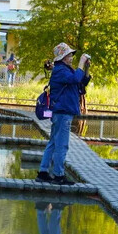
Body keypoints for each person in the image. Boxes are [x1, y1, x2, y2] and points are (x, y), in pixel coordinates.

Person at [36, 42, 91, 185]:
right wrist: (81, 62)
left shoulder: (66, 70)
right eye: (69, 55)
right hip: (63, 112)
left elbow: (81, 82)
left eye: (71, 54)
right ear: (62, 57)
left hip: (62, 112)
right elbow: (74, 79)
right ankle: (58, 175)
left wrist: (86, 68)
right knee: (62, 144)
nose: (71, 57)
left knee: (54, 142)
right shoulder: (60, 70)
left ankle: (43, 172)